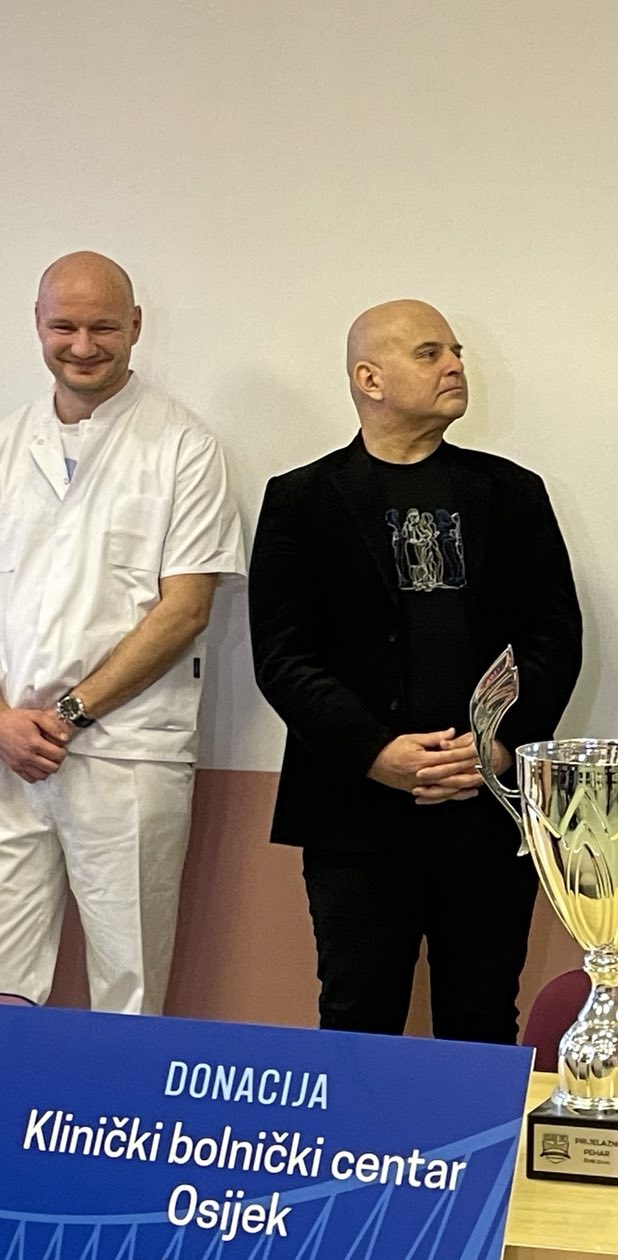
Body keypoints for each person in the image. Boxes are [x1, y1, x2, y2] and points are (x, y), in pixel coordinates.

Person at [250, 299, 581, 1044]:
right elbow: (282, 655)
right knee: (357, 1020)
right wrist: (376, 753)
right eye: (430, 353)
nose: (456, 366)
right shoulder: (301, 500)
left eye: (456, 351)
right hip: (353, 811)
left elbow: (555, 636)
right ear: (370, 378)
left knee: (483, 1020)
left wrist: (498, 747)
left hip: (487, 805)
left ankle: (475, 1136)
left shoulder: (512, 492)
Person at [0, 251, 244, 1013]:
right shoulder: (5, 444)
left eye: (103, 327)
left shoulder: (184, 446)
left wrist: (69, 713)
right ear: (37, 325)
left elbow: (185, 608)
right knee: (3, 978)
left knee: (128, 988)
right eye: (64, 327)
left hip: (128, 750)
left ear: (135, 326)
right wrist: (4, 722)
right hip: (9, 753)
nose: (82, 346)